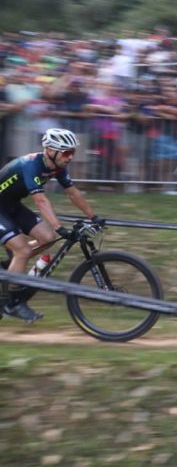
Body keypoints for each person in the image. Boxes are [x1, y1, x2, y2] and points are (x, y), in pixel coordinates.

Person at [0, 128, 102, 323]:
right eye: (66, 153)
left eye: (72, 152)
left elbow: (73, 193)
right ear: (50, 151)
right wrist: (58, 226)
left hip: (10, 205)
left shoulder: (58, 167)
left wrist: (94, 216)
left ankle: (8, 269)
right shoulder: (30, 165)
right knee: (22, 250)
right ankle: (11, 303)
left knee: (47, 238)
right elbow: (40, 201)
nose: (70, 157)